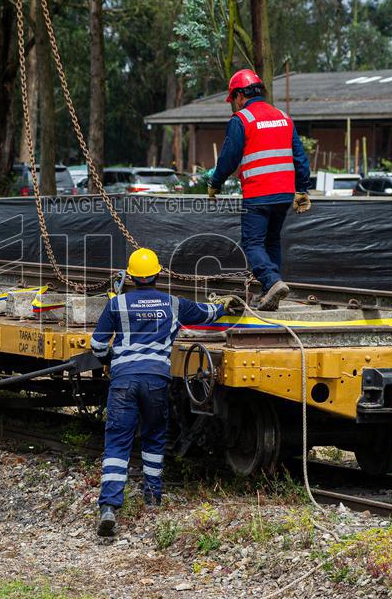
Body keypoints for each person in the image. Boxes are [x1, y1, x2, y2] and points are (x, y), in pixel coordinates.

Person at [90, 248, 227, 537]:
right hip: (156, 380)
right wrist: (226, 304)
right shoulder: (173, 304)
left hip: (124, 380)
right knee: (154, 437)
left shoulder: (117, 304)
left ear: (130, 276)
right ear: (157, 274)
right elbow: (207, 313)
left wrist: (110, 360)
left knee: (117, 442)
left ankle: (109, 508)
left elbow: (98, 345)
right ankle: (153, 499)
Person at [207, 69, 312, 311]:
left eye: (234, 99)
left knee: (252, 243)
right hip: (284, 193)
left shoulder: (242, 120)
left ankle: (272, 281)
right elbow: (300, 157)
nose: (234, 104)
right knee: (272, 241)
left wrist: (215, 183)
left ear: (241, 94)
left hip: (258, 193)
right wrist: (302, 189)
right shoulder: (283, 117)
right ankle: (269, 293)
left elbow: (228, 158)